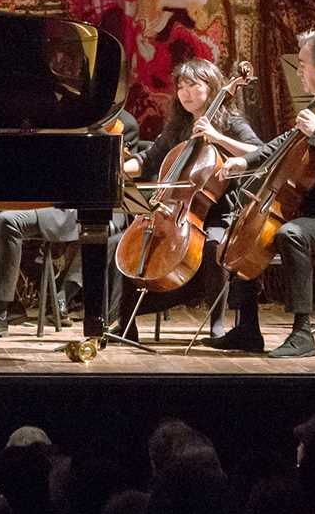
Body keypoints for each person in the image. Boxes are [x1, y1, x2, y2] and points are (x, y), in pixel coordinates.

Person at [207, 29, 315, 358]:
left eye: (302, 64)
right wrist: (243, 159)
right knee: (244, 230)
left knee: (291, 234)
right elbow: (281, 143)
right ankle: (247, 329)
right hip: (311, 206)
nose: (298, 71)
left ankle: (303, 333)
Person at [0, 112, 143, 339]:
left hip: (66, 204)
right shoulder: (41, 115)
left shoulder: (123, 124)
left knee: (7, 221)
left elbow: (109, 176)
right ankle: (12, 307)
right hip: (23, 196)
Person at [107, 59, 262, 341]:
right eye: (181, 86)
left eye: (193, 85)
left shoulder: (231, 122)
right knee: (130, 242)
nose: (186, 92)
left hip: (219, 213)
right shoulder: (178, 126)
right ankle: (127, 324)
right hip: (177, 212)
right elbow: (147, 160)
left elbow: (260, 151)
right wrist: (115, 169)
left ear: (212, 87)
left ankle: (216, 326)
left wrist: (217, 138)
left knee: (215, 245)